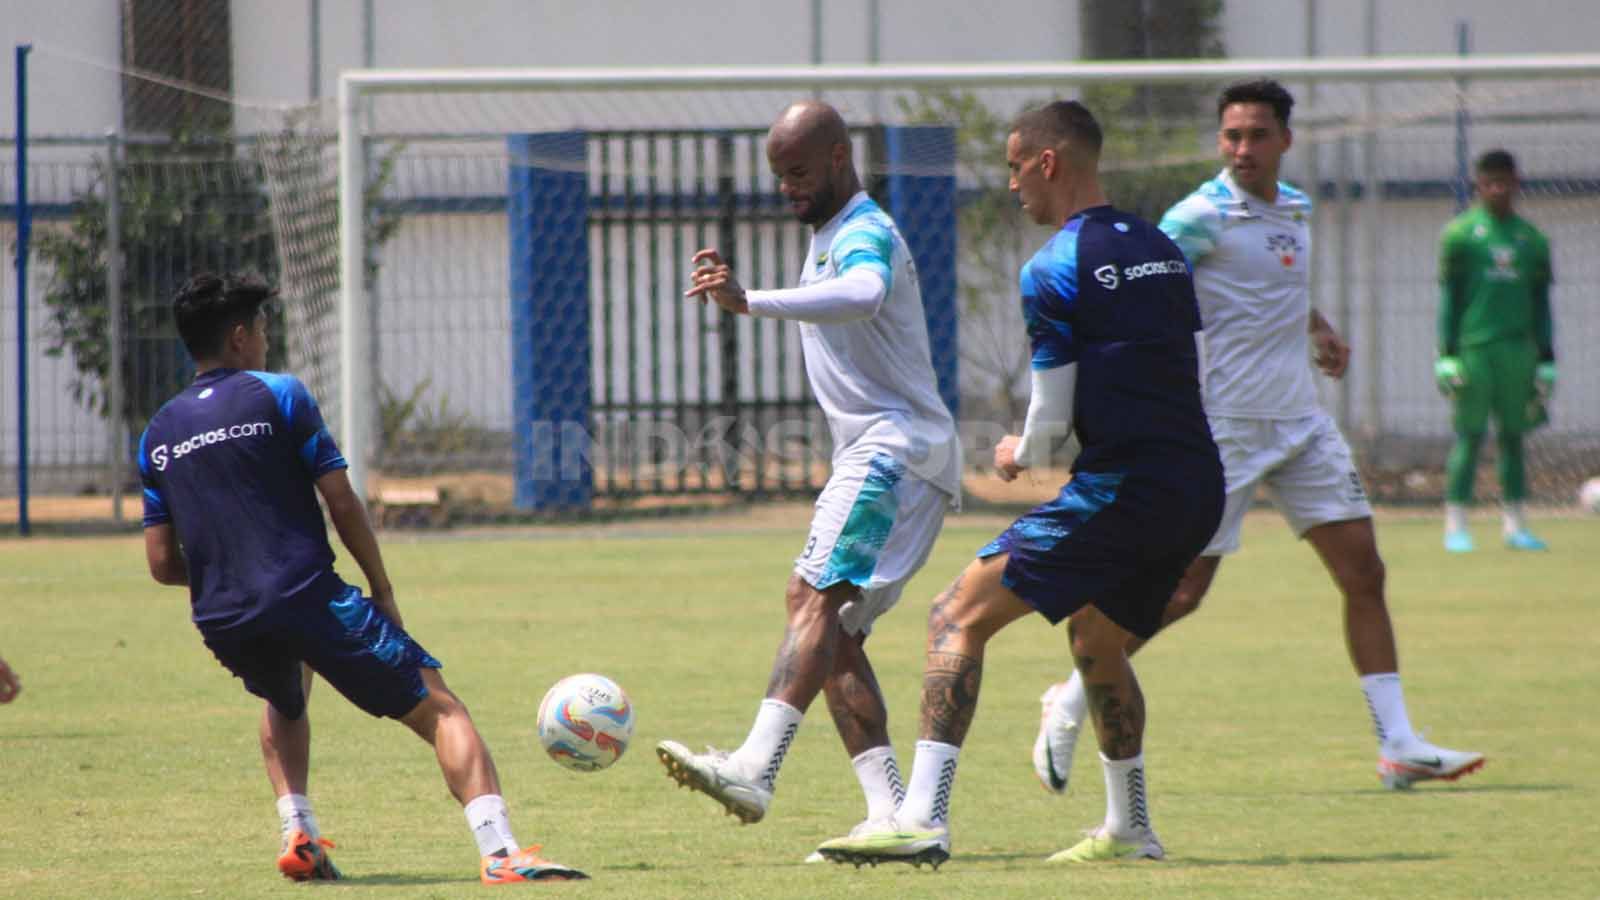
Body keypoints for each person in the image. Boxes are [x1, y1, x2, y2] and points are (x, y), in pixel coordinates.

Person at [1031, 79, 1484, 800]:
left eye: (1257, 135)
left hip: (1302, 424)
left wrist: (1319, 329)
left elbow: (1277, 289)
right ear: (1221, 141)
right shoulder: (1199, 216)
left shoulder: (1295, 209)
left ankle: (1398, 744)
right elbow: (1129, 279)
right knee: (1181, 595)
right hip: (1224, 431)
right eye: (1232, 135)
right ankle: (1072, 696)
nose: (1243, 148)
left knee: (1364, 572)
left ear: (1285, 141)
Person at [817, 99, 1223, 868]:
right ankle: (1130, 828)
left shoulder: (1053, 267)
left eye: (1013, 166)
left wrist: (1015, 450)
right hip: (1196, 482)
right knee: (1097, 638)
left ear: (1048, 162)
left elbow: (1048, 426)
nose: (1009, 185)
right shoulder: (1163, 248)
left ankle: (922, 819)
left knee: (954, 615)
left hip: (1124, 487)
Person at [139, 273, 584, 885]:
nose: (267, 342)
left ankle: (298, 833)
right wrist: (382, 589)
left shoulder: (157, 433)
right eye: (264, 331)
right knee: (442, 709)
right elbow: (341, 501)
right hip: (305, 596)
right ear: (240, 337)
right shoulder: (280, 395)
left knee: (285, 695)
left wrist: (226, 570)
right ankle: (501, 851)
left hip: (223, 616)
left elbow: (162, 564)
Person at [656, 100, 962, 861]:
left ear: (836, 157)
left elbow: (863, 294)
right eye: (777, 177)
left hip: (892, 450)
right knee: (832, 633)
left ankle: (755, 769)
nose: (787, 188)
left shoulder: (864, 230)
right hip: (895, 453)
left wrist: (749, 299)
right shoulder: (829, 233)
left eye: (797, 173)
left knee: (811, 598)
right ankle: (891, 812)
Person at [1436, 149, 1555, 553]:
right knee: (1469, 435)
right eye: (1491, 183)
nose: (1499, 190)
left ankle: (1515, 525)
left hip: (1519, 350)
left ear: (1517, 183)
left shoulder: (1532, 240)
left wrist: (1547, 359)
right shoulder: (1461, 235)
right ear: (1479, 186)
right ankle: (1456, 524)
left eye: (1506, 182)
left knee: (1514, 437)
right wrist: (1445, 354)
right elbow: (1449, 301)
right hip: (1475, 349)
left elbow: (1541, 303)